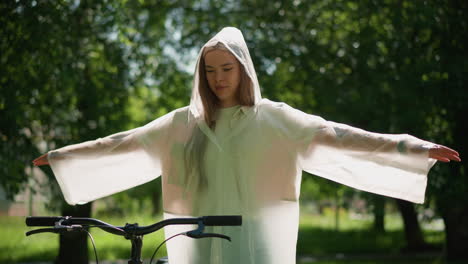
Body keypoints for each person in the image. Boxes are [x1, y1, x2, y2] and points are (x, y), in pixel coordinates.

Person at [33, 27, 460, 264]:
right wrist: (61, 158)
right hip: (197, 241)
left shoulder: (275, 118)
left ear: (244, 70)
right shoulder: (184, 123)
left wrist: (411, 148)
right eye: (211, 70)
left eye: (227, 69)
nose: (219, 78)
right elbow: (121, 145)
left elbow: (340, 136)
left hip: (258, 242)